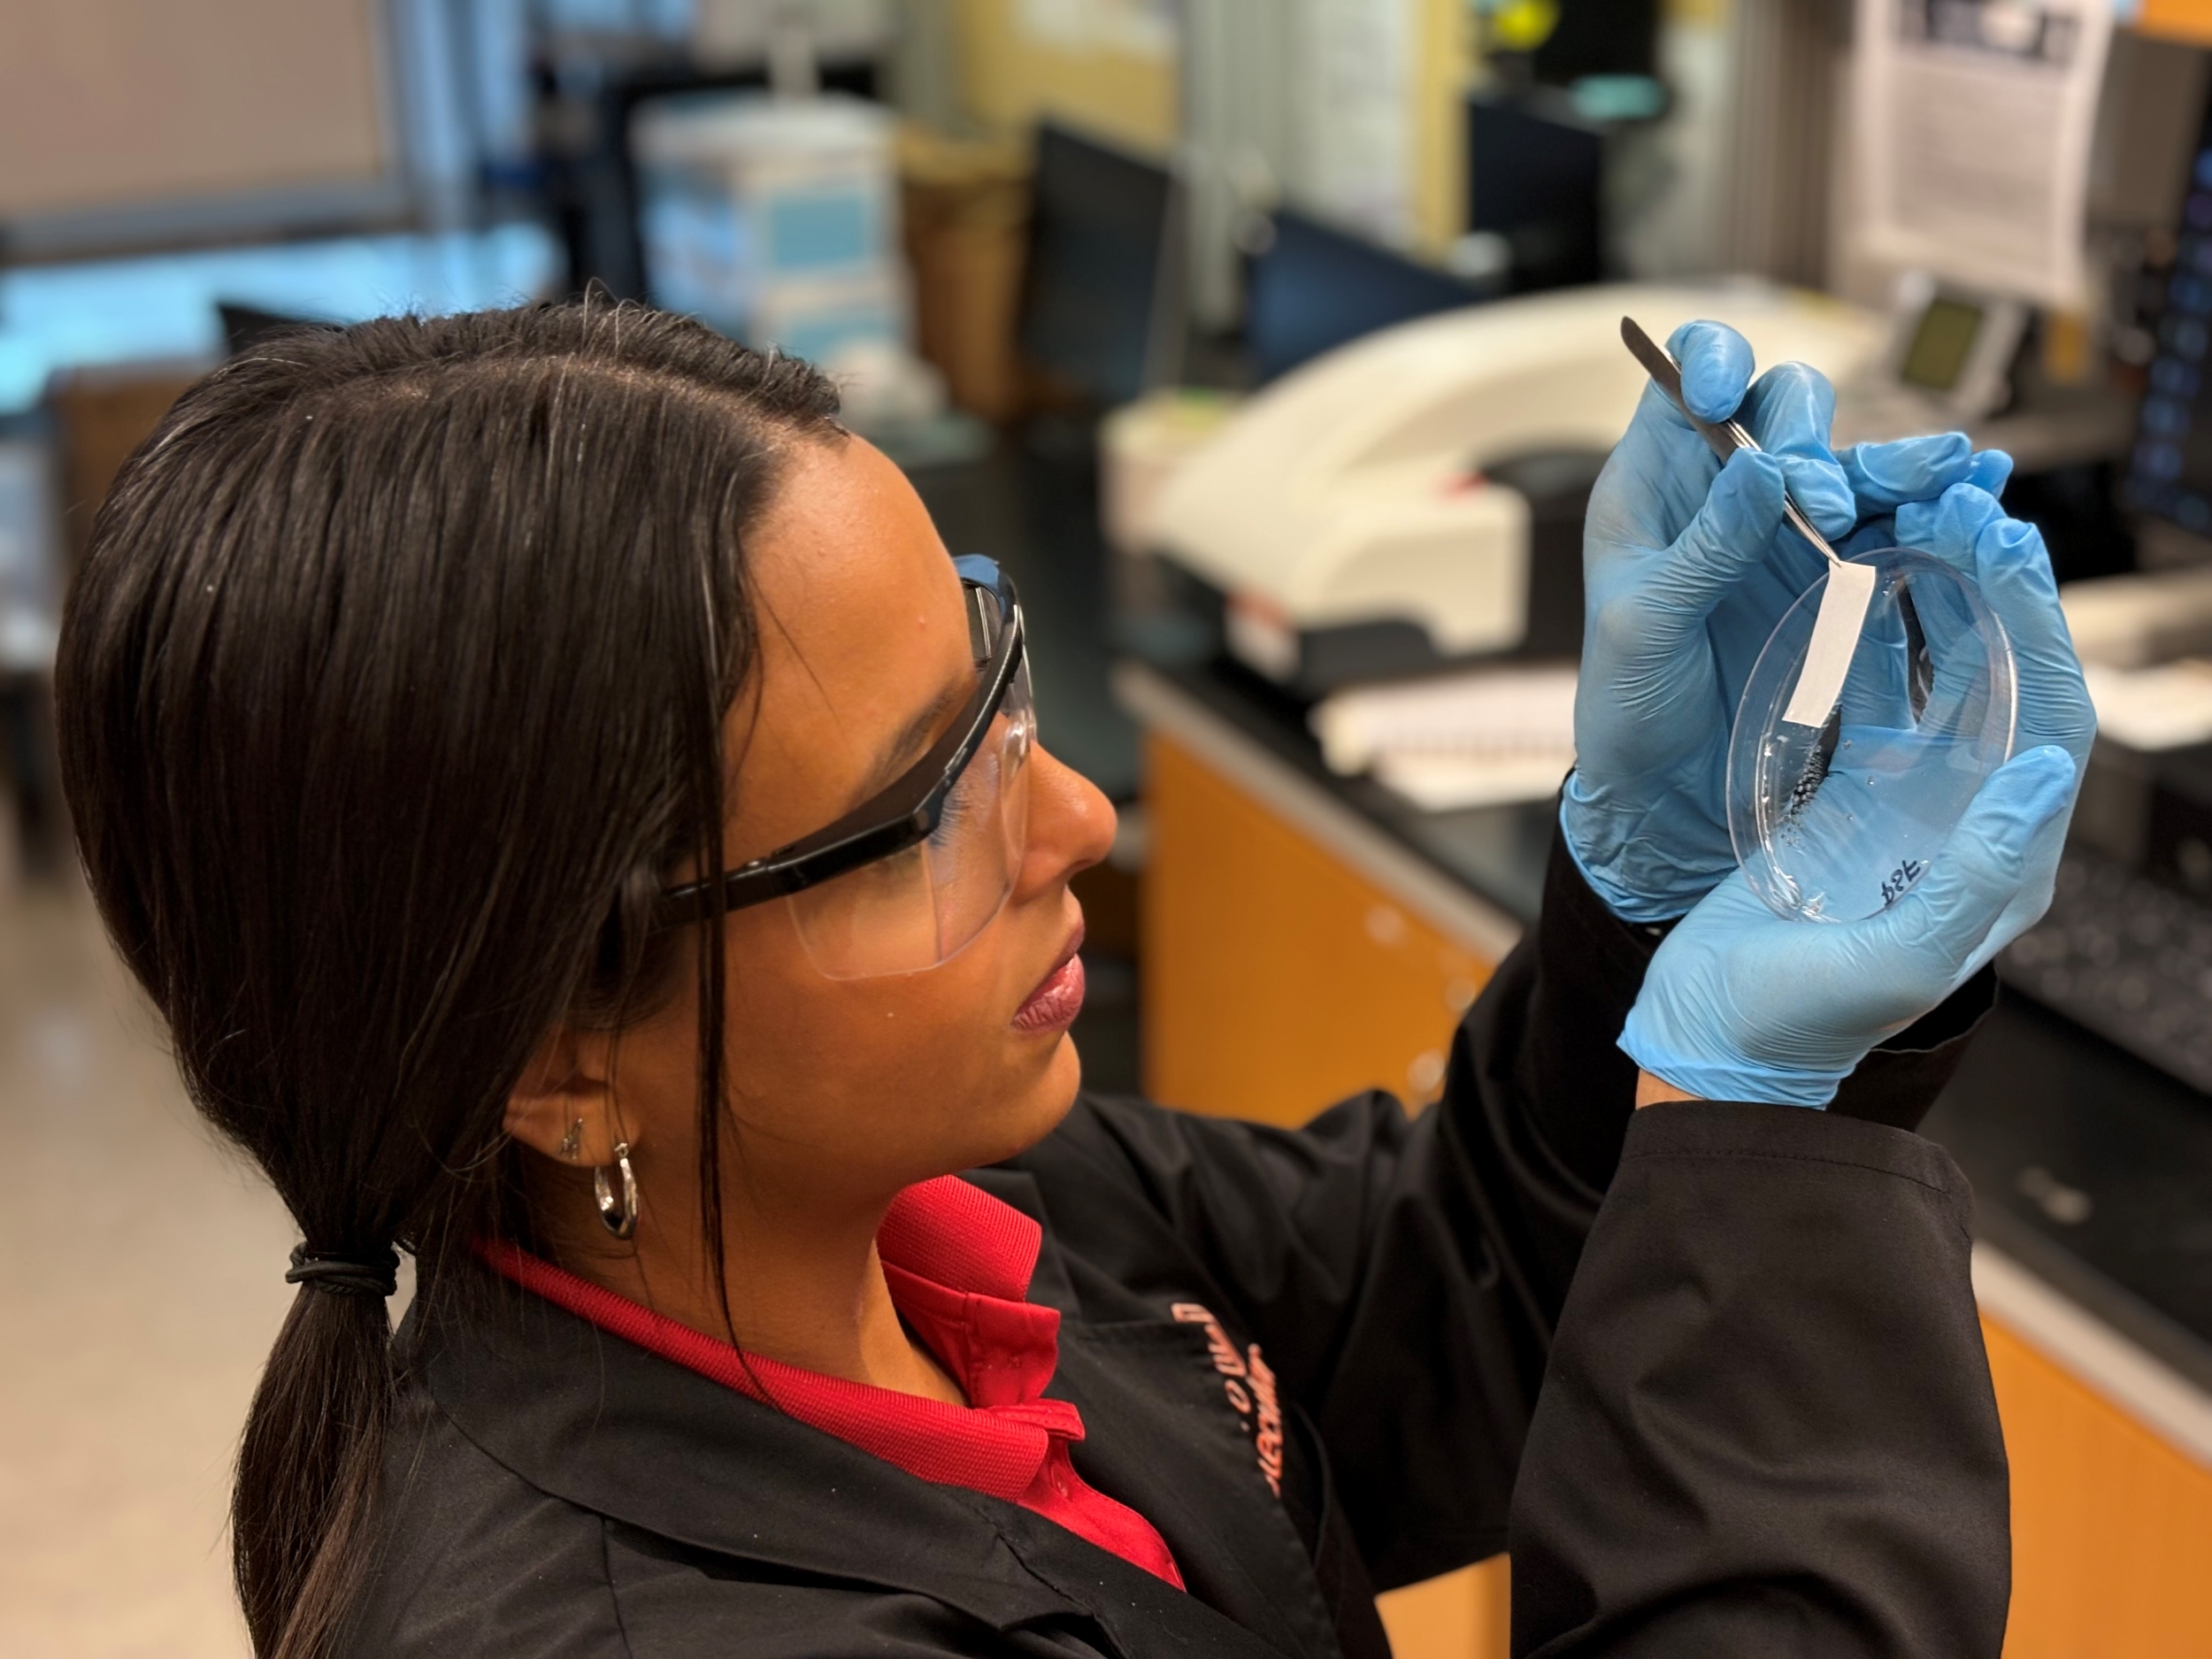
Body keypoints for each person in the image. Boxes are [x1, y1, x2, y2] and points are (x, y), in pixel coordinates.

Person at [54, 303, 2093, 1659]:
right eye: (917, 803)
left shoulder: (943, 1220)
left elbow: (1454, 1295)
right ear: (556, 1055)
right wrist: (1745, 1127)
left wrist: (1655, 883)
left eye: (993, 684)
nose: (1079, 819)